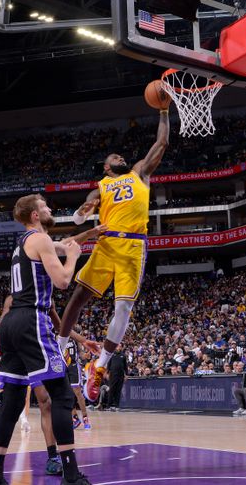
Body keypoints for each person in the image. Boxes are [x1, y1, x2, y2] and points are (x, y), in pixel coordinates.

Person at [56, 103, 171, 402]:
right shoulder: (102, 185)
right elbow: (81, 213)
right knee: (79, 297)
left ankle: (99, 366)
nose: (120, 156)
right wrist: (83, 211)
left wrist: (163, 111)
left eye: (121, 156)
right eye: (114, 157)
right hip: (106, 245)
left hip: (133, 246)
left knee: (123, 309)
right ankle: (58, 351)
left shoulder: (140, 174)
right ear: (107, 167)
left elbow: (161, 143)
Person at [0, 194, 94, 485]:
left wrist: (92, 234)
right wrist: (72, 259)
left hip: (10, 325)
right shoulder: (41, 240)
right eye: (45, 206)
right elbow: (62, 281)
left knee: (12, 401)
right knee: (62, 394)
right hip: (33, 319)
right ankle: (70, 474)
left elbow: (65, 242)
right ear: (35, 214)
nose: (50, 208)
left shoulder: (26, 242)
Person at [106, 345, 127, 410]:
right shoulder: (112, 355)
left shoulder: (123, 355)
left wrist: (126, 375)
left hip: (120, 375)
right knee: (111, 390)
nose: (118, 347)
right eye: (117, 346)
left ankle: (116, 406)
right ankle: (109, 406)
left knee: (118, 390)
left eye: (120, 346)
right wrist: (107, 373)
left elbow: (125, 366)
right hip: (112, 375)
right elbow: (108, 365)